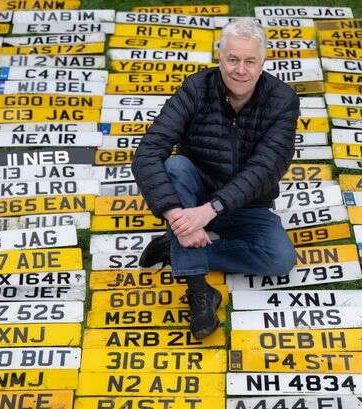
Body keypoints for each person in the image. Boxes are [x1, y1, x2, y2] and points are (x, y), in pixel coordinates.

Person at [131, 18, 299, 339]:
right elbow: (147, 153)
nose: (241, 69)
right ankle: (199, 291)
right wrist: (177, 215)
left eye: (250, 61)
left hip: (246, 205)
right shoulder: (195, 89)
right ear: (219, 56)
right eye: (232, 59)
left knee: (280, 259)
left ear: (263, 62)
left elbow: (266, 168)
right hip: (192, 199)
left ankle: (175, 249)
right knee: (177, 167)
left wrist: (209, 212)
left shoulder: (283, 100)